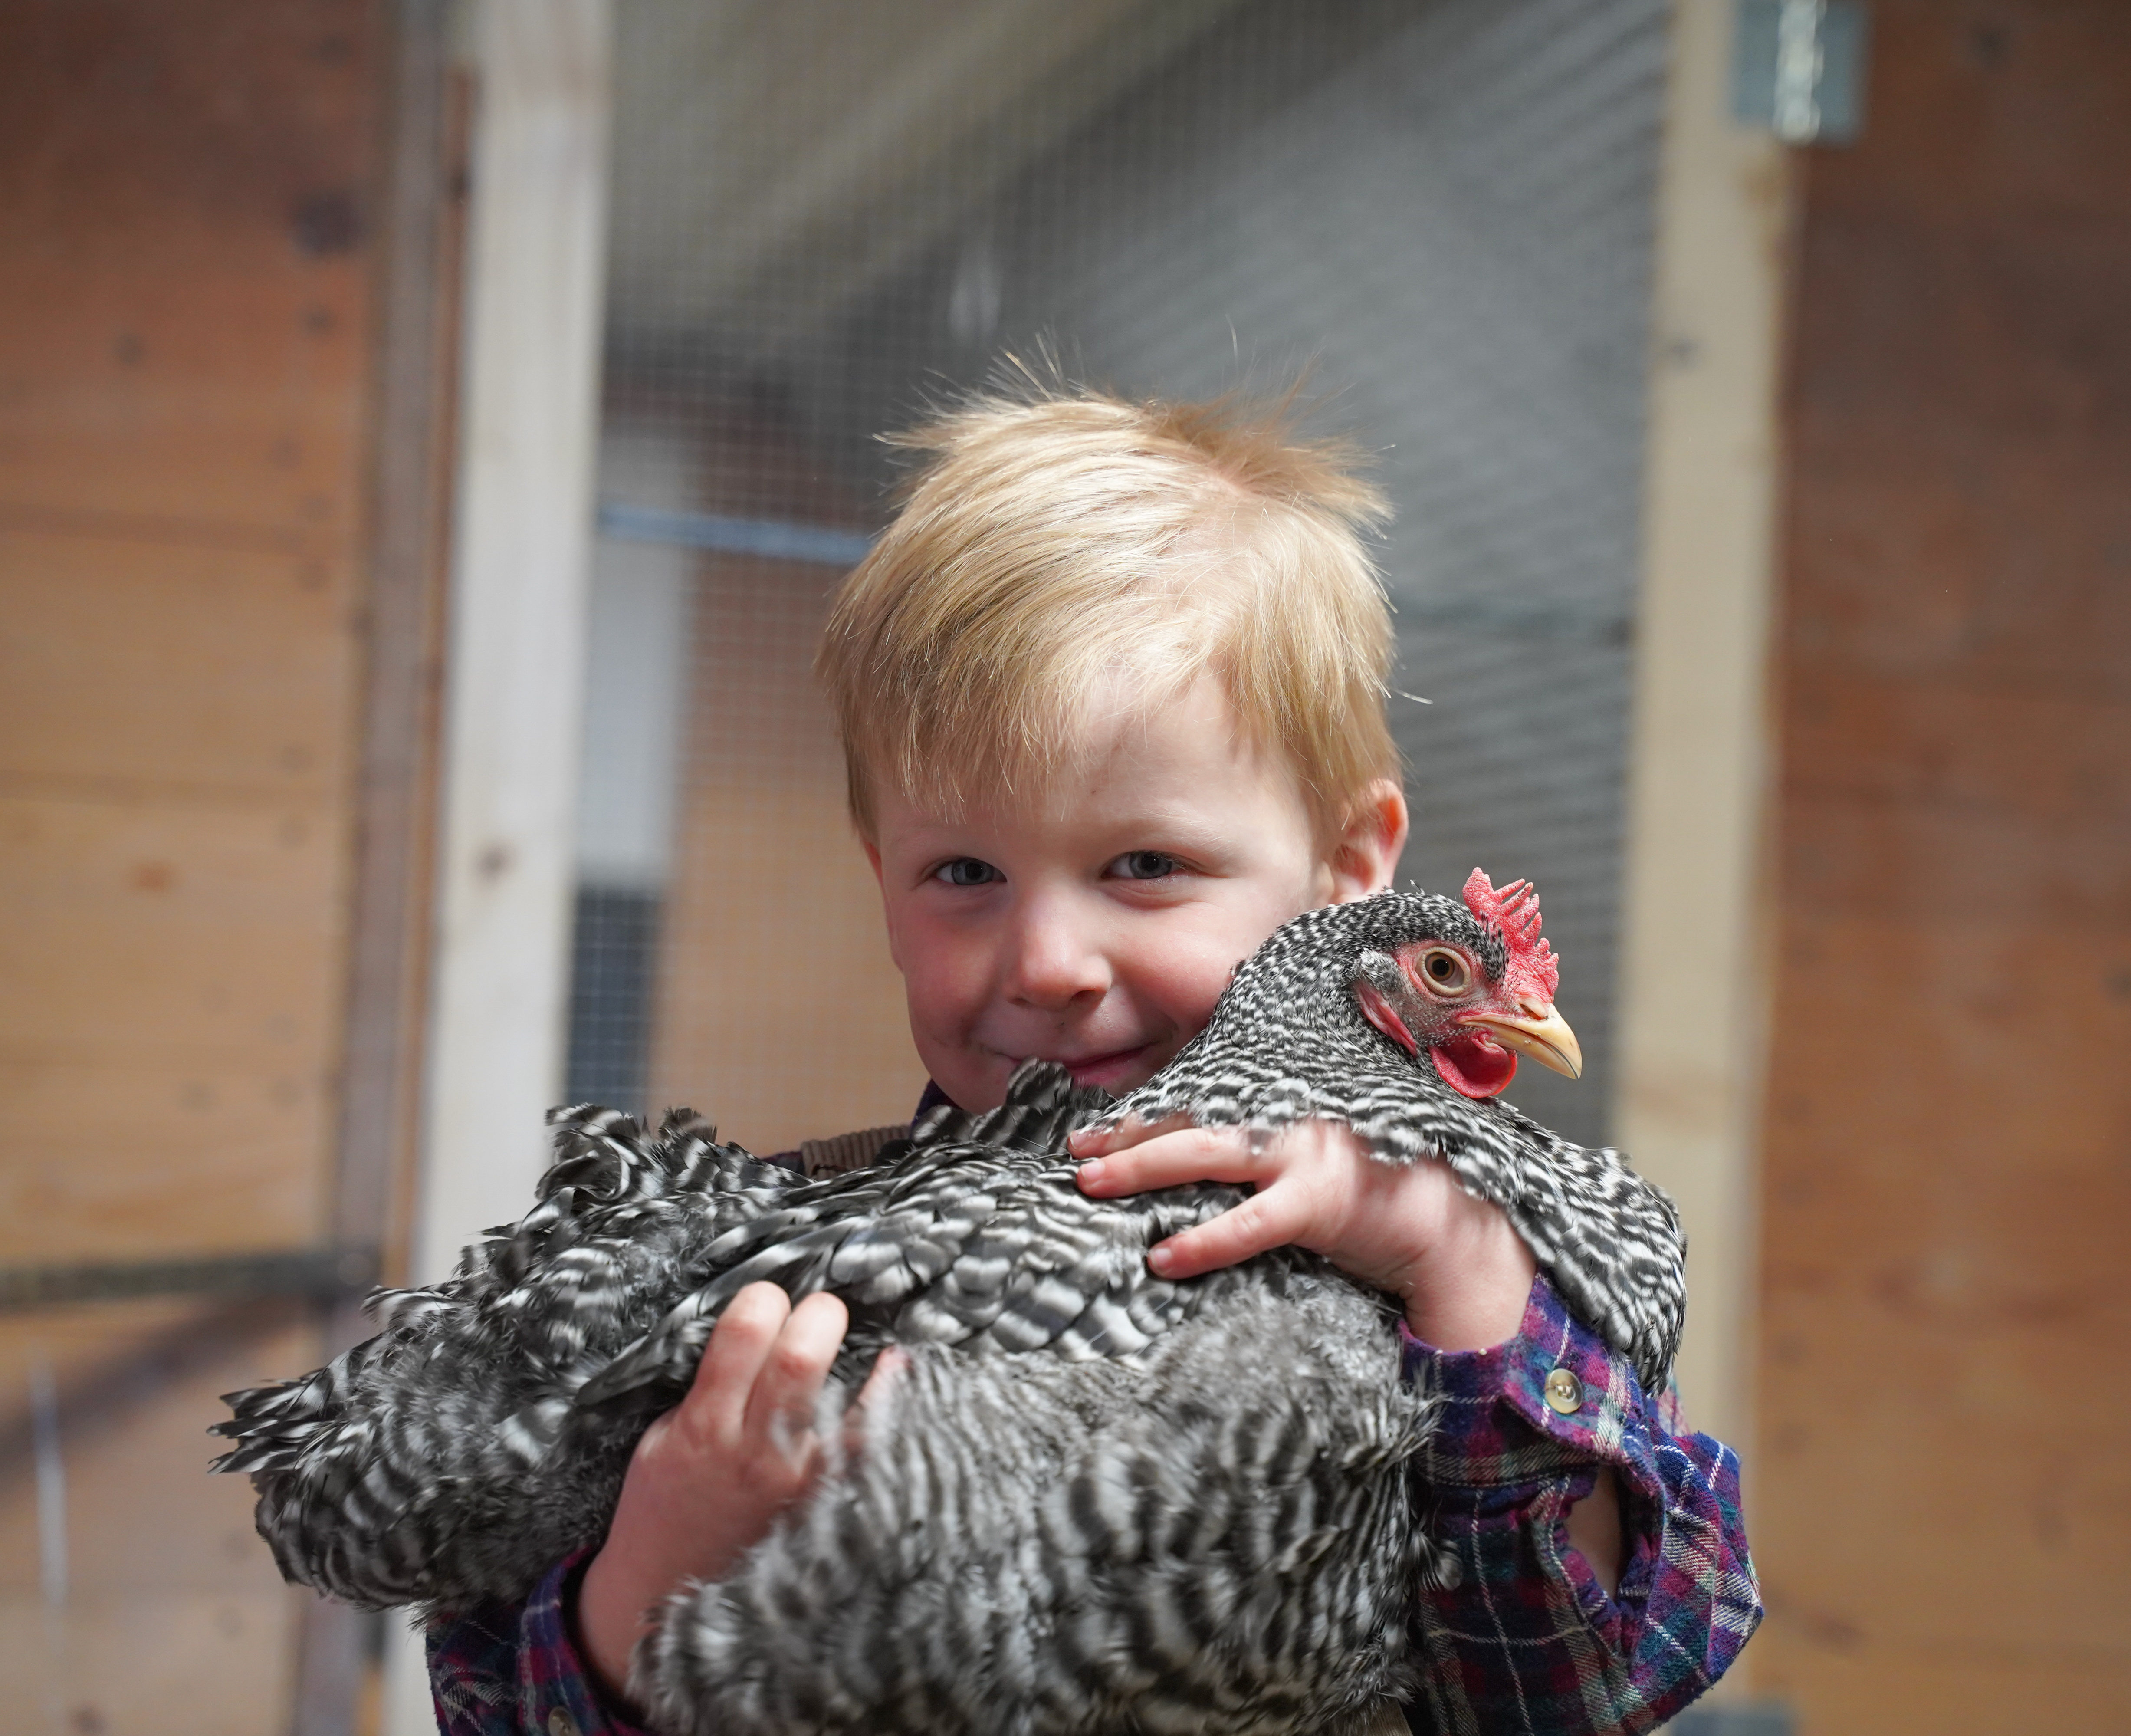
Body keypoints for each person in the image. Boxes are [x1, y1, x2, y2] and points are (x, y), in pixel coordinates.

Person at [429, 380, 1760, 1736]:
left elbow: (1586, 1685)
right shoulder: (796, 1286)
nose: (1049, 960)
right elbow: (489, 1692)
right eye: (965, 872)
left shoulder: (1479, 1275)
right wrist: (653, 1576)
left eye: (1146, 866)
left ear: (1349, 869)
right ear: (879, 885)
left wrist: (1449, 1257)